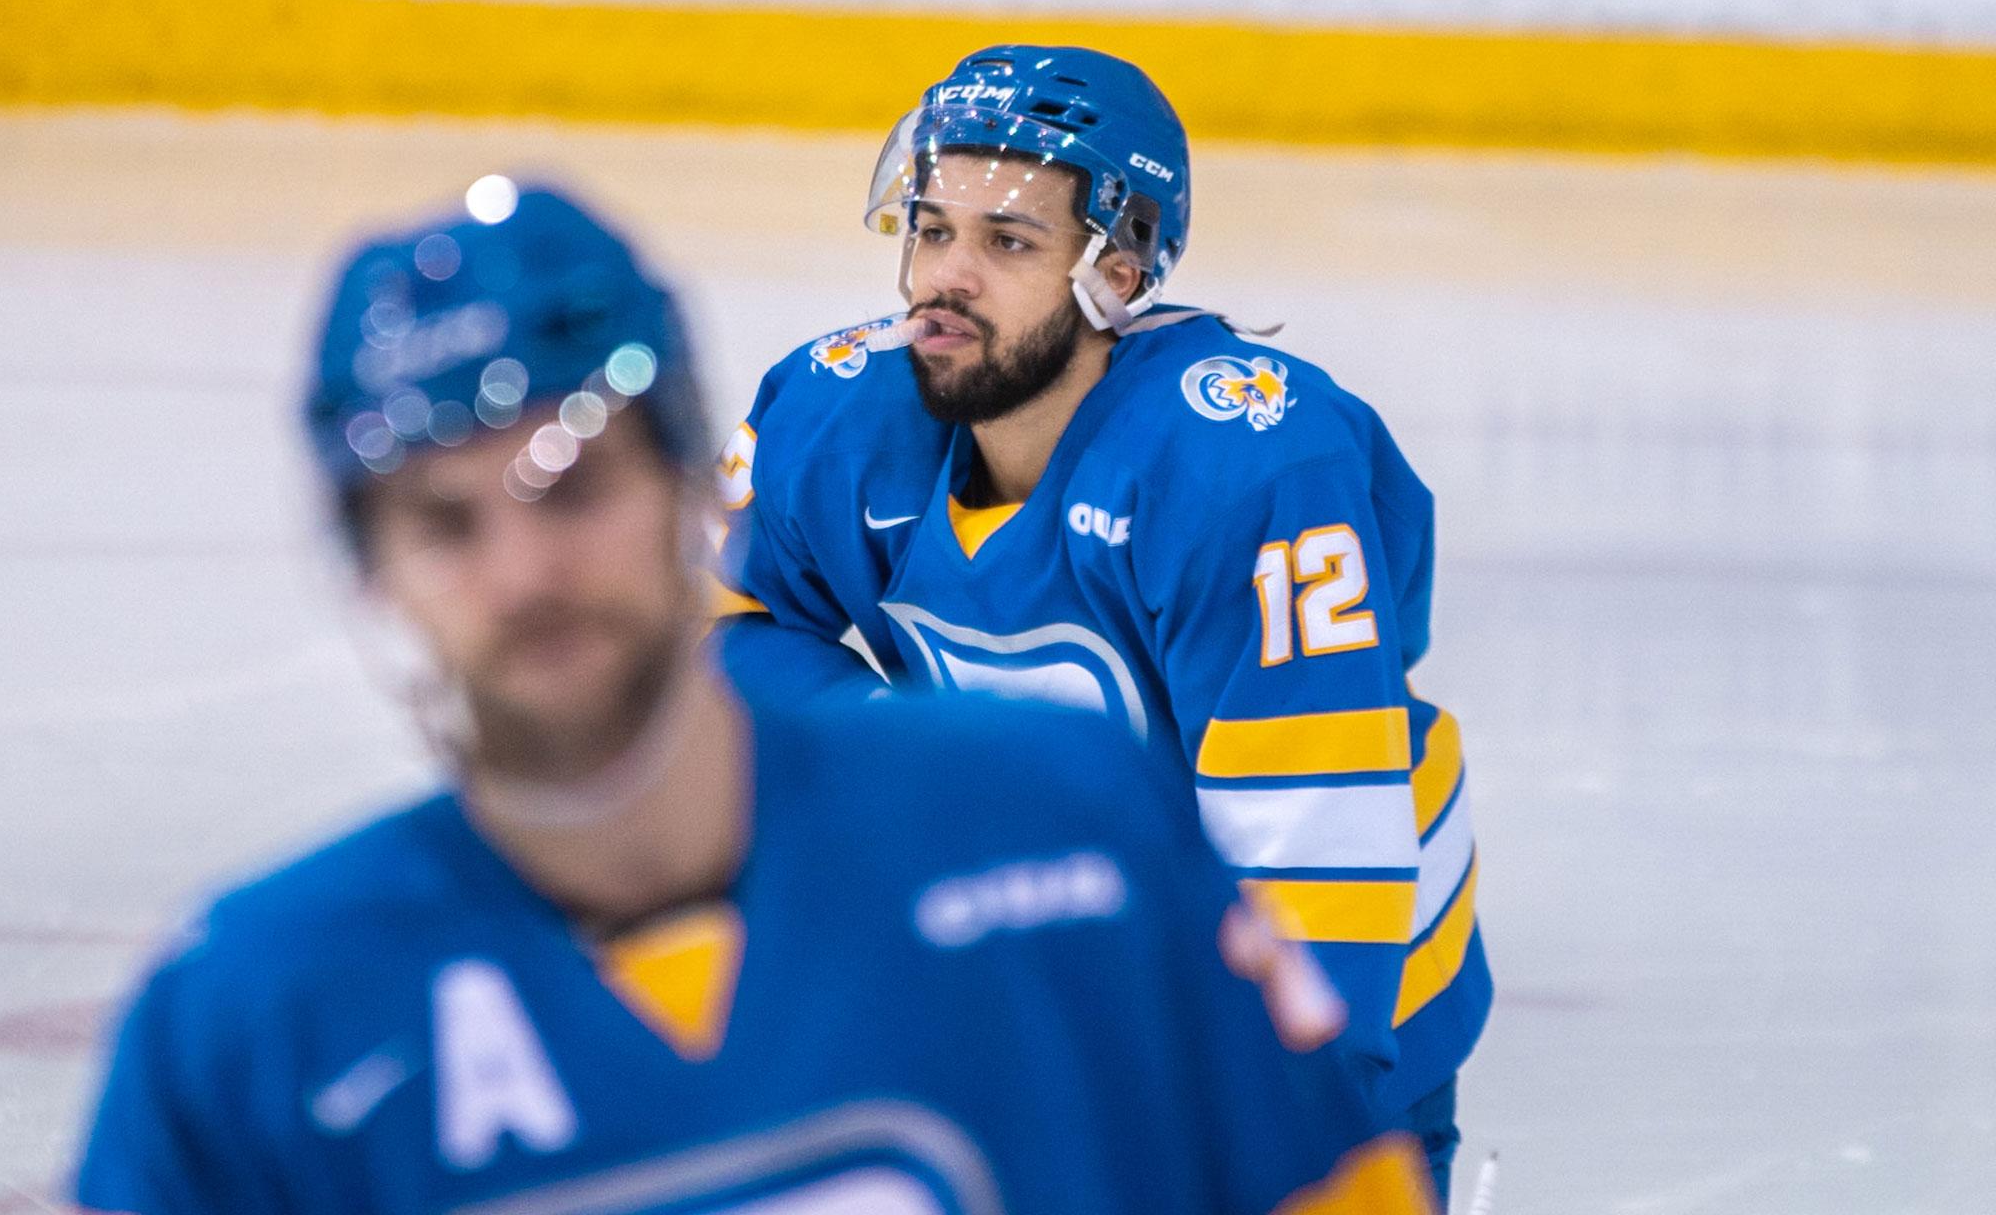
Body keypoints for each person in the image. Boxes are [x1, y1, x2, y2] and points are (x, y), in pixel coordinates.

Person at [71, 179, 1435, 1214]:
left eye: (576, 487)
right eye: (444, 524)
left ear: (691, 494)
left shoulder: (1072, 835)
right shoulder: (245, 1031)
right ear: (370, 576)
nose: (526, 571)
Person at [711, 47, 1489, 1200]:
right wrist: (909, 764)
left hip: (1341, 968)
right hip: (1043, 960)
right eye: (931, 229)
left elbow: (1315, 867)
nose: (945, 278)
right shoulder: (834, 413)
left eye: (1008, 242)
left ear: (1115, 271)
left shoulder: (1246, 466)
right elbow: (704, 641)